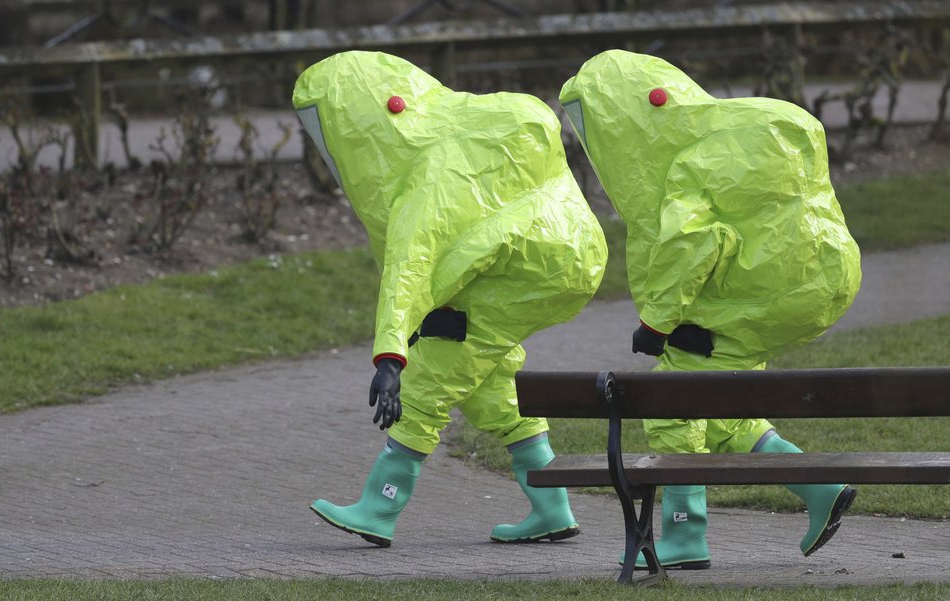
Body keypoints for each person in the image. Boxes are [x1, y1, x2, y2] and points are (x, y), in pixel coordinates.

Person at [559, 50, 862, 569]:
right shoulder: (725, 143)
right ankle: (820, 488)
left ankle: (683, 536)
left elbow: (692, 244)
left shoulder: (687, 163)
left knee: (674, 405)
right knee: (724, 406)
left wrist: (657, 323)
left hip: (742, 307)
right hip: (792, 294)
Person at [292, 51, 608, 547]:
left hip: (518, 268)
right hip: (562, 256)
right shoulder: (467, 129)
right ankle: (552, 506)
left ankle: (379, 507)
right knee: (494, 384)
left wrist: (392, 356)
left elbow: (410, 267)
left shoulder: (430, 173)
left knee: (431, 373)